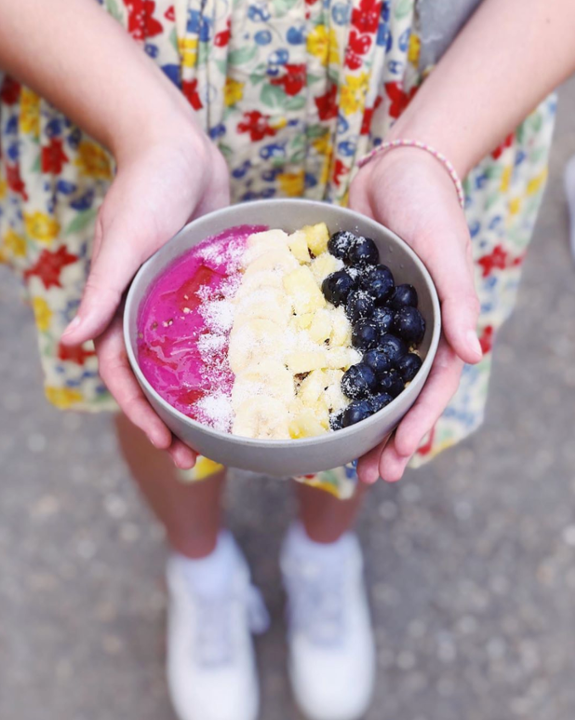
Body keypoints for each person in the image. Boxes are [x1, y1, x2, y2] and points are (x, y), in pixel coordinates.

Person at [0, 1, 573, 719]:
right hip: (117, 80)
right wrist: (147, 132)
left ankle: (321, 554)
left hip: (430, 98)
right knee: (154, 412)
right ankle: (200, 566)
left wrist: (430, 150)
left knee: (366, 428)